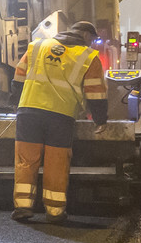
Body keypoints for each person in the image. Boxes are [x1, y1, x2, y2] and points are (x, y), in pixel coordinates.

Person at [11, 19, 109, 224]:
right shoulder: (88, 57)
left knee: (26, 161)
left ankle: (23, 207)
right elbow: (96, 93)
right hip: (60, 116)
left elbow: (18, 77)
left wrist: (18, 103)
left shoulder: (38, 46)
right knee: (56, 162)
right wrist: (100, 120)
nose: (92, 44)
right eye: (92, 40)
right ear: (86, 36)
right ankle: (54, 212)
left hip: (28, 112)